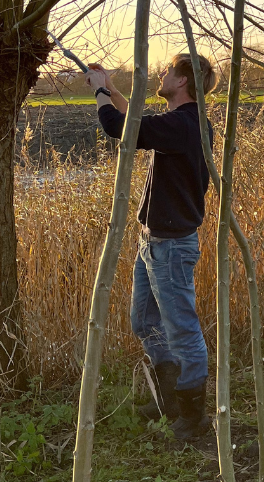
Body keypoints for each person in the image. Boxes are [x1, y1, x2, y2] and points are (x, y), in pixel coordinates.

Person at [85, 54, 216, 439]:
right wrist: (107, 86)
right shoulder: (184, 122)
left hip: (171, 247)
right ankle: (171, 401)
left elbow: (117, 128)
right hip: (154, 243)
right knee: (144, 321)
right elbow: (133, 122)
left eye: (167, 71)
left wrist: (98, 95)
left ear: (182, 81)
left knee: (183, 331)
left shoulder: (183, 124)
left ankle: (194, 418)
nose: (161, 73)